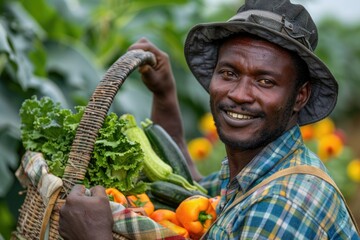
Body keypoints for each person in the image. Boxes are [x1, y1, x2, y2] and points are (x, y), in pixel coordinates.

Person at [59, 0, 360, 239]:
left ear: (300, 96)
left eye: (265, 81)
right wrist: (164, 95)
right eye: (228, 74)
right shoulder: (254, 172)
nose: (240, 94)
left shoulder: (284, 203)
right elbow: (188, 187)